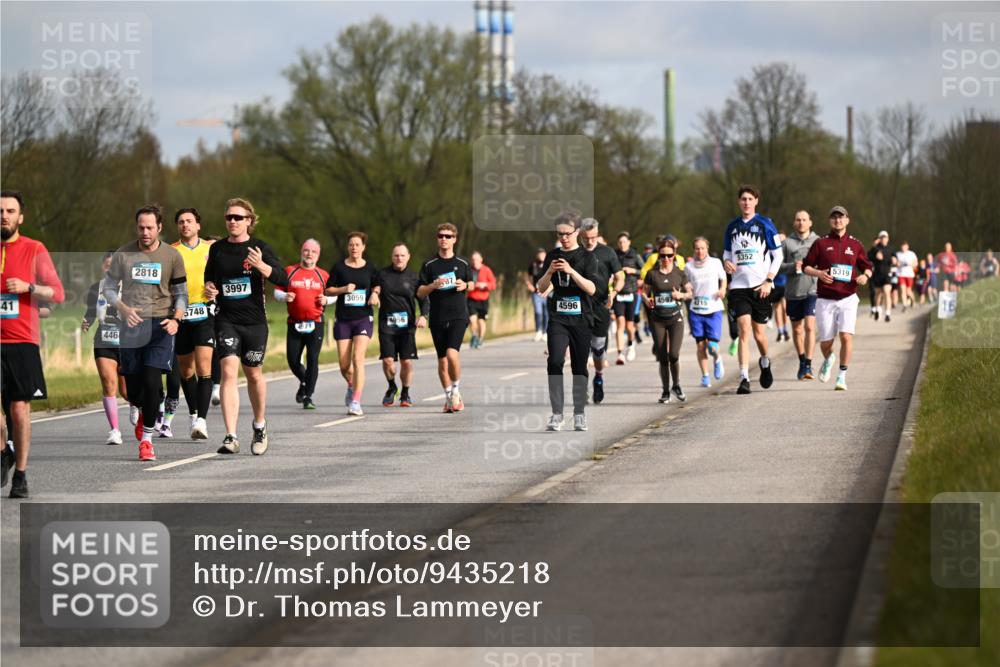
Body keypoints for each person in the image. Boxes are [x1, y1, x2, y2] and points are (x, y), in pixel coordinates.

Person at [204, 198, 286, 456]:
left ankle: (259, 426)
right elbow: (210, 278)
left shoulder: (259, 247)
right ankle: (231, 435)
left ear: (249, 221)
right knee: (228, 371)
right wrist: (210, 288)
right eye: (229, 217)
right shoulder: (217, 249)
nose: (232, 222)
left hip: (255, 323)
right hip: (226, 320)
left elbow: (283, 278)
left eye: (238, 217)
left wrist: (262, 266)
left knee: (253, 375)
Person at [105, 204, 187, 462]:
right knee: (134, 391)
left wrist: (176, 319)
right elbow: (108, 289)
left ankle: (147, 441)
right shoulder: (123, 254)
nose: (145, 232)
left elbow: (181, 294)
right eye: (141, 227)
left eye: (150, 227)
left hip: (161, 325)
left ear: (159, 227)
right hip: (131, 326)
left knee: (153, 382)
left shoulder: (172, 256)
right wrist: (123, 308)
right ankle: (144, 408)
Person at [0, 190, 66, 498]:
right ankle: (4, 450)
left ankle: (21, 475)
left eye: (10, 211)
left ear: (20, 217)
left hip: (22, 341)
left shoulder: (34, 248)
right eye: (0, 210)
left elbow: (57, 293)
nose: (4, 215)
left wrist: (28, 287)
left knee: (19, 408)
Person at [535, 213, 598, 431]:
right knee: (554, 362)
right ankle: (557, 414)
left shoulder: (587, 257)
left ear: (577, 232)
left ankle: (579, 413)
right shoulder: (552, 255)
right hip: (558, 319)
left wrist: (571, 271)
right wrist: (550, 271)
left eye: (567, 234)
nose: (563, 238)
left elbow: (591, 288)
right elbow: (541, 288)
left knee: (579, 367)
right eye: (559, 234)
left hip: (581, 319)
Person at [802, 206, 873, 391]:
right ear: (830, 221)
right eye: (834, 217)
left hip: (848, 297)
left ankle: (841, 376)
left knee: (846, 336)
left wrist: (865, 276)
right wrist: (818, 273)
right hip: (825, 299)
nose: (837, 221)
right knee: (826, 342)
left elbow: (867, 266)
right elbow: (805, 266)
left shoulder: (856, 244)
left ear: (847, 220)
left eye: (841, 217)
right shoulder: (821, 243)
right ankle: (829, 357)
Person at [723, 184, 783, 395]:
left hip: (761, 287)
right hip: (739, 287)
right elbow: (727, 254)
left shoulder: (765, 224)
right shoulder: (732, 227)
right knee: (744, 329)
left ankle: (765, 362)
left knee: (759, 334)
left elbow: (779, 256)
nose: (746, 202)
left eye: (750, 199)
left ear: (756, 201)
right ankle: (744, 378)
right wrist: (727, 263)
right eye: (743, 199)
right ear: (739, 202)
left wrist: (769, 280)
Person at [417, 223, 473, 413]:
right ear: (437, 238)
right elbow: (420, 292)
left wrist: (465, 285)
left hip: (458, 315)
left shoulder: (463, 263)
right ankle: (448, 395)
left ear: (454, 239)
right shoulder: (429, 265)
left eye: (448, 236)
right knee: (442, 361)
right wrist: (433, 285)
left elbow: (472, 284)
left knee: (452, 354)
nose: (444, 239)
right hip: (438, 318)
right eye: (441, 236)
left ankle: (456, 390)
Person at [170, 208, 215, 439]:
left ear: (198, 225)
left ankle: (202, 421)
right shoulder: (170, 251)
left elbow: (223, 275)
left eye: (189, 221)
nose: (185, 225)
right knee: (186, 371)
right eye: (181, 222)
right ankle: (193, 412)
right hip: (180, 315)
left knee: (204, 368)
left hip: (205, 313)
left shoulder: (211, 249)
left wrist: (215, 288)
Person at [325, 232, 380, 416]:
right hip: (344, 319)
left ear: (363, 247)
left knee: (358, 359)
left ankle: (356, 401)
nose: (354, 248)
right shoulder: (339, 267)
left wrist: (375, 294)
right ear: (348, 247)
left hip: (363, 318)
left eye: (357, 244)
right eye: (351, 245)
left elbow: (377, 284)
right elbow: (328, 290)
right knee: (343, 365)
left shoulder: (370, 267)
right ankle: (351, 384)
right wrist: (343, 289)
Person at [275, 239, 334, 410]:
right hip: (294, 322)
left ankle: (308, 395)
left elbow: (334, 293)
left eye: (313, 251)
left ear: (318, 255)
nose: (309, 254)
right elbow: (278, 290)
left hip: (315, 323)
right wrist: (284, 297)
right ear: (302, 251)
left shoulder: (323, 275)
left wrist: (327, 299)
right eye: (306, 250)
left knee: (312, 359)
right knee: (293, 360)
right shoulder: (290, 271)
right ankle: (304, 381)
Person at [81, 250, 127, 445]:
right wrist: (87, 321)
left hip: (128, 342)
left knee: (127, 392)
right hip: (104, 339)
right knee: (109, 383)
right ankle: (115, 430)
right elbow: (91, 310)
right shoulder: (96, 287)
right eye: (107, 265)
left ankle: (138, 407)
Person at [377, 243, 429, 407]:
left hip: (407, 327)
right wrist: (374, 295)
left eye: (402, 255)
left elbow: (423, 299)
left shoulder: (414, 278)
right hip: (387, 325)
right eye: (396, 255)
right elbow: (374, 288)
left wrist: (424, 316)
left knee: (406, 362)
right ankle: (392, 387)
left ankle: (405, 393)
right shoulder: (383, 274)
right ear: (392, 257)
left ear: (408, 257)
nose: (399, 258)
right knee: (388, 361)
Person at [643, 239, 693, 402]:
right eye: (663, 256)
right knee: (663, 357)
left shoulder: (679, 273)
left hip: (675, 318)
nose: (666, 259)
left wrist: (681, 296)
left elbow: (690, 293)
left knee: (674, 355)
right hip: (657, 319)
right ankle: (665, 391)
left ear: (674, 255)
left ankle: (676, 385)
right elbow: (644, 292)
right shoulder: (652, 274)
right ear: (658, 256)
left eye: (669, 255)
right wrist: (647, 300)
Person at [580, 218, 623, 404]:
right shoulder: (574, 253)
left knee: (598, 350)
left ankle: (598, 376)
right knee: (580, 349)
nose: (590, 241)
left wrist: (614, 292)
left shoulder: (607, 252)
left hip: (601, 306)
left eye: (594, 237)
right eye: (587, 237)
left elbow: (620, 277)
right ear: (581, 235)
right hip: (579, 307)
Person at [780, 211, 820, 380]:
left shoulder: (818, 241)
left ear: (810, 222)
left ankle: (809, 365)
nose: (801, 222)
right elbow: (777, 266)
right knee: (797, 330)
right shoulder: (787, 243)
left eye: (804, 220)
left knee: (810, 327)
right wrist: (792, 266)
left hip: (813, 290)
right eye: (798, 220)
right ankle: (802, 361)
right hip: (793, 292)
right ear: (794, 223)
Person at [684, 237, 727, 388]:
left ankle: (717, 359)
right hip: (696, 310)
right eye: (697, 248)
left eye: (702, 248)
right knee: (700, 346)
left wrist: (722, 289)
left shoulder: (715, 263)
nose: (700, 251)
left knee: (712, 346)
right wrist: (687, 288)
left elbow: (723, 279)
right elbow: (686, 284)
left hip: (713, 309)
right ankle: (705, 376)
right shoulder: (688, 267)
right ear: (693, 250)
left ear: (707, 249)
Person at [613, 232, 644, 364]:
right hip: (618, 293)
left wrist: (633, 271)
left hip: (631, 293)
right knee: (620, 323)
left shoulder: (635, 255)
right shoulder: (614, 255)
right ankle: (620, 354)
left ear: (629, 242)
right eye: (620, 242)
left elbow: (644, 271)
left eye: (624, 242)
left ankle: (631, 345)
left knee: (629, 326)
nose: (622, 244)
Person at [467, 251, 497, 349]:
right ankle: (474, 336)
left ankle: (480, 339)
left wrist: (485, 285)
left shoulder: (486, 270)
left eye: (477, 259)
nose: (475, 261)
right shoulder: (469, 270)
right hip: (471, 298)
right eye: (473, 259)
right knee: (472, 320)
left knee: (481, 321)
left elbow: (493, 284)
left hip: (483, 299)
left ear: (481, 260)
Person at [867, 231, 895, 322]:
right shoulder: (875, 249)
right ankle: (878, 309)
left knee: (887, 292)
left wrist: (894, 260)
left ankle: (887, 313)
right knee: (878, 294)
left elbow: (895, 258)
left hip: (887, 275)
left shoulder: (891, 248)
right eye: (882, 237)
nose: (883, 239)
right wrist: (874, 249)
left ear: (888, 238)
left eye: (885, 237)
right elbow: (868, 257)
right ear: (879, 239)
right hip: (877, 275)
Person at [524, 248, 549, 342]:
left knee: (546, 313)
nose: (541, 256)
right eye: (539, 254)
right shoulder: (533, 265)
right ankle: (538, 331)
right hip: (536, 292)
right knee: (538, 312)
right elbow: (527, 277)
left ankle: (545, 332)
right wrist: (529, 285)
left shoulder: (548, 265)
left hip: (547, 292)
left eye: (542, 254)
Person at [895, 241, 918, 312]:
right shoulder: (898, 254)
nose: (903, 248)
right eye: (902, 246)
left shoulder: (911, 254)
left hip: (909, 275)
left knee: (908, 291)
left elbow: (915, 264)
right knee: (902, 290)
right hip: (901, 274)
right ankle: (905, 305)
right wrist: (898, 264)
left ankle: (913, 300)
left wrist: (910, 264)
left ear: (907, 247)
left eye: (905, 246)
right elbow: (896, 263)